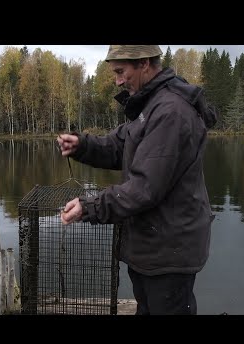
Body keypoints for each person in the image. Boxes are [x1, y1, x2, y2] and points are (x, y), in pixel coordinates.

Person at [57, 45, 217, 315]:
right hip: (152, 247)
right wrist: (82, 146)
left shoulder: (170, 111)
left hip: (169, 252)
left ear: (144, 64)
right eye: (114, 73)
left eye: (121, 72)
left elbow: (145, 188)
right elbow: (121, 146)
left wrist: (90, 206)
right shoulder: (150, 104)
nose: (118, 80)